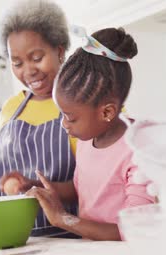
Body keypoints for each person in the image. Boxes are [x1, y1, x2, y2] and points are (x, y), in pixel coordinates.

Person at [26, 27, 156, 241]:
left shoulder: (138, 149)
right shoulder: (89, 140)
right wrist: (45, 189)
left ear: (107, 112)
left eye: (71, 117)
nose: (64, 124)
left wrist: (62, 218)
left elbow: (136, 231)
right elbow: (83, 188)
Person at [0, 0, 77, 238]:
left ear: (59, 51)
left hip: (73, 235)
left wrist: (36, 188)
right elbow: (11, 181)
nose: (28, 71)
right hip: (20, 238)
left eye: (36, 58)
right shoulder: (11, 108)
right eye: (17, 63)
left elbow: (102, 181)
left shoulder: (82, 103)